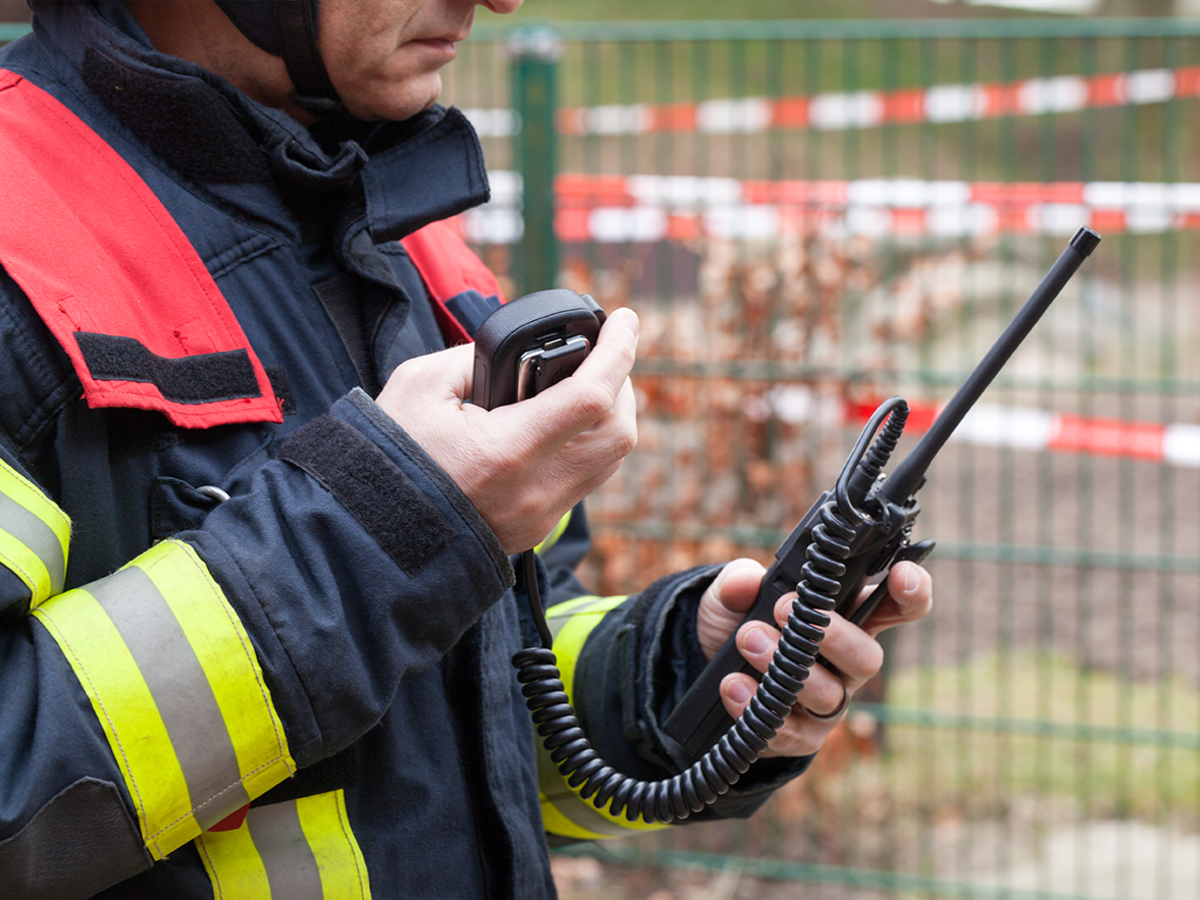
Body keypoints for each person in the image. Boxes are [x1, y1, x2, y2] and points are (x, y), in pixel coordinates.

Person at [0, 1, 933, 898]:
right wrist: (383, 532)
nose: (500, 0)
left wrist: (672, 678)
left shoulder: (416, 252)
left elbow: (485, 713)